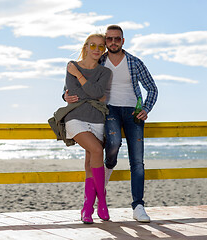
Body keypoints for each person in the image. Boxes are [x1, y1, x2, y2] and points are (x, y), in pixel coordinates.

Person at [64, 25, 158, 223]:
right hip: (108, 110)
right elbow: (74, 87)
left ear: (123, 41)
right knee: (112, 144)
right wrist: (65, 95)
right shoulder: (100, 60)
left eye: (117, 39)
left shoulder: (134, 62)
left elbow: (152, 88)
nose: (112, 42)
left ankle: (138, 205)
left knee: (137, 161)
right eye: (109, 39)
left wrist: (146, 109)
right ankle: (106, 173)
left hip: (132, 110)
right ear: (105, 41)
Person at [49, 33, 112, 224]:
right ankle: (102, 202)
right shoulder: (72, 66)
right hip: (75, 117)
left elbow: (97, 93)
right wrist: (89, 89)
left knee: (90, 162)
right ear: (85, 46)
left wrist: (80, 78)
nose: (96, 49)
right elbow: (76, 93)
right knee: (96, 150)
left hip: (97, 119)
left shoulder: (105, 72)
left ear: (103, 51)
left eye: (101, 47)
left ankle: (87, 208)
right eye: (93, 45)